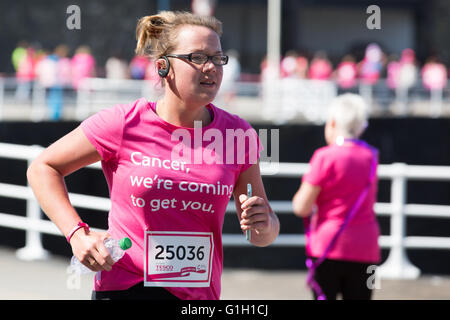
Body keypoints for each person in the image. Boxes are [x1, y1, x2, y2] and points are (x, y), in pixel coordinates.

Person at [27, 11, 279, 300]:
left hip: (197, 297)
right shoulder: (123, 123)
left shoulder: (238, 134)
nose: (212, 67)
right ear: (163, 67)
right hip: (125, 289)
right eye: (197, 57)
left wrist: (265, 223)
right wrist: (76, 234)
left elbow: (261, 234)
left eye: (218, 58)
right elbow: (43, 167)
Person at [292, 93, 380, 300]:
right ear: (361, 127)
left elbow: (301, 207)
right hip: (367, 247)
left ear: (331, 123)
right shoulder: (372, 156)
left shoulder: (324, 156)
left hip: (328, 245)